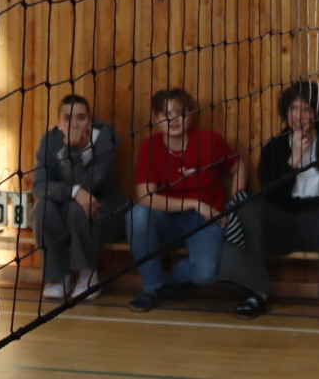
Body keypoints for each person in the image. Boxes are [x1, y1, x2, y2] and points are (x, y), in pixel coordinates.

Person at [242, 80, 319, 326]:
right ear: (286, 111)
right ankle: (253, 293)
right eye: (294, 108)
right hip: (283, 223)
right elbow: (271, 197)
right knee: (248, 205)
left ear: (317, 114)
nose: (298, 116)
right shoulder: (274, 147)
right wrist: (294, 161)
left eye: (306, 109)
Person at [125, 88, 244, 314]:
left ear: (191, 115)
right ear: (156, 119)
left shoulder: (210, 141)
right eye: (166, 114)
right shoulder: (150, 147)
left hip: (205, 221)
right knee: (136, 216)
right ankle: (152, 288)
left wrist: (233, 205)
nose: (174, 119)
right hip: (166, 220)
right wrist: (193, 203)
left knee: (205, 274)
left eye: (180, 113)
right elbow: (145, 197)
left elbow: (238, 167)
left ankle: (172, 280)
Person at [31, 94, 127, 301]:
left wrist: (72, 150)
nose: (74, 124)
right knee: (42, 209)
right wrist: (73, 192)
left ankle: (88, 275)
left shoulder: (106, 137)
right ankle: (59, 277)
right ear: (59, 122)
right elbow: (39, 186)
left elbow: (91, 187)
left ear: (90, 120)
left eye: (81, 118)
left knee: (79, 208)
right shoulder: (50, 140)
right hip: (66, 209)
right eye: (68, 118)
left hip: (106, 210)